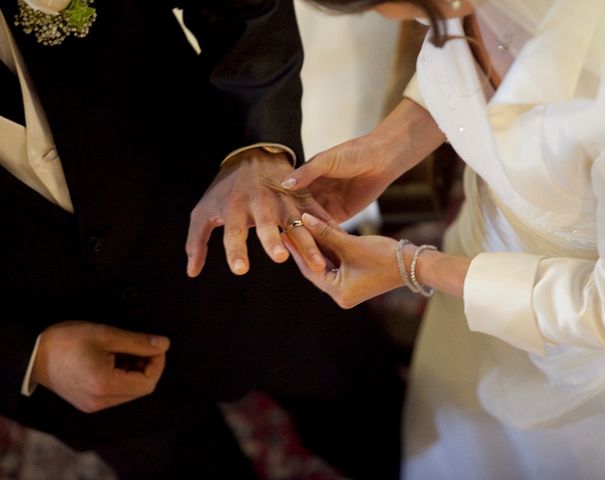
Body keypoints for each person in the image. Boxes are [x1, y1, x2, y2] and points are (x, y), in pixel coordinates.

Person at [0, 0, 405, 478]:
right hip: (54, 337)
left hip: (238, 234)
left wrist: (257, 145)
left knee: (365, 415)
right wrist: (27, 356)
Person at [282, 0, 605, 478]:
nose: (391, 20)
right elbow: (474, 70)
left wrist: (412, 267)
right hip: (483, 247)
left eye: (388, 6)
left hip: (588, 347)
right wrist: (385, 150)